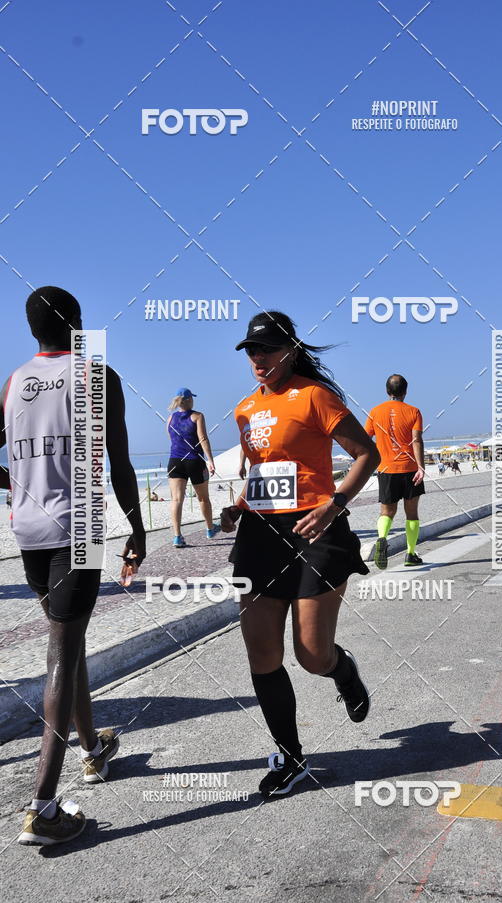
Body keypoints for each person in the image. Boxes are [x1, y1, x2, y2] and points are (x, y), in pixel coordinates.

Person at [0, 286, 146, 846]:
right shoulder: (95, 376)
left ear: (31, 328)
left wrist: (19, 484)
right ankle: (42, 808)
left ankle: (93, 749)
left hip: (29, 529)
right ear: (79, 325)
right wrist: (135, 526)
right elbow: (119, 461)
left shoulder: (13, 383)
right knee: (61, 651)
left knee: (70, 636)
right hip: (76, 526)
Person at [221, 311, 379, 799]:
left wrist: (334, 506)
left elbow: (366, 455)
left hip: (317, 530)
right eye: (251, 351)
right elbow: (262, 471)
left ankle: (342, 669)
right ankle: (290, 758)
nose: (258, 359)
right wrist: (238, 506)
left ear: (289, 350)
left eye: (266, 349)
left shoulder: (314, 396)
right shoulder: (244, 409)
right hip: (260, 535)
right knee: (262, 654)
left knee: (310, 655)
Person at [365, 374, 425, 570]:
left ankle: (382, 538)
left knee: (387, 512)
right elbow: (416, 440)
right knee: (412, 513)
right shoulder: (414, 411)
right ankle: (410, 553)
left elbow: (365, 439)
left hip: (386, 469)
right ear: (405, 391)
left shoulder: (375, 412)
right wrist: (421, 466)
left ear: (387, 391)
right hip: (409, 469)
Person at [167, 388, 218, 546]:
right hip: (194, 461)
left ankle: (177, 536)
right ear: (189, 400)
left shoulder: (170, 418)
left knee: (176, 499)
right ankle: (210, 529)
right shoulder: (197, 416)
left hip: (175, 461)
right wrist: (210, 460)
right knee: (203, 498)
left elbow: (171, 438)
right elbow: (203, 439)